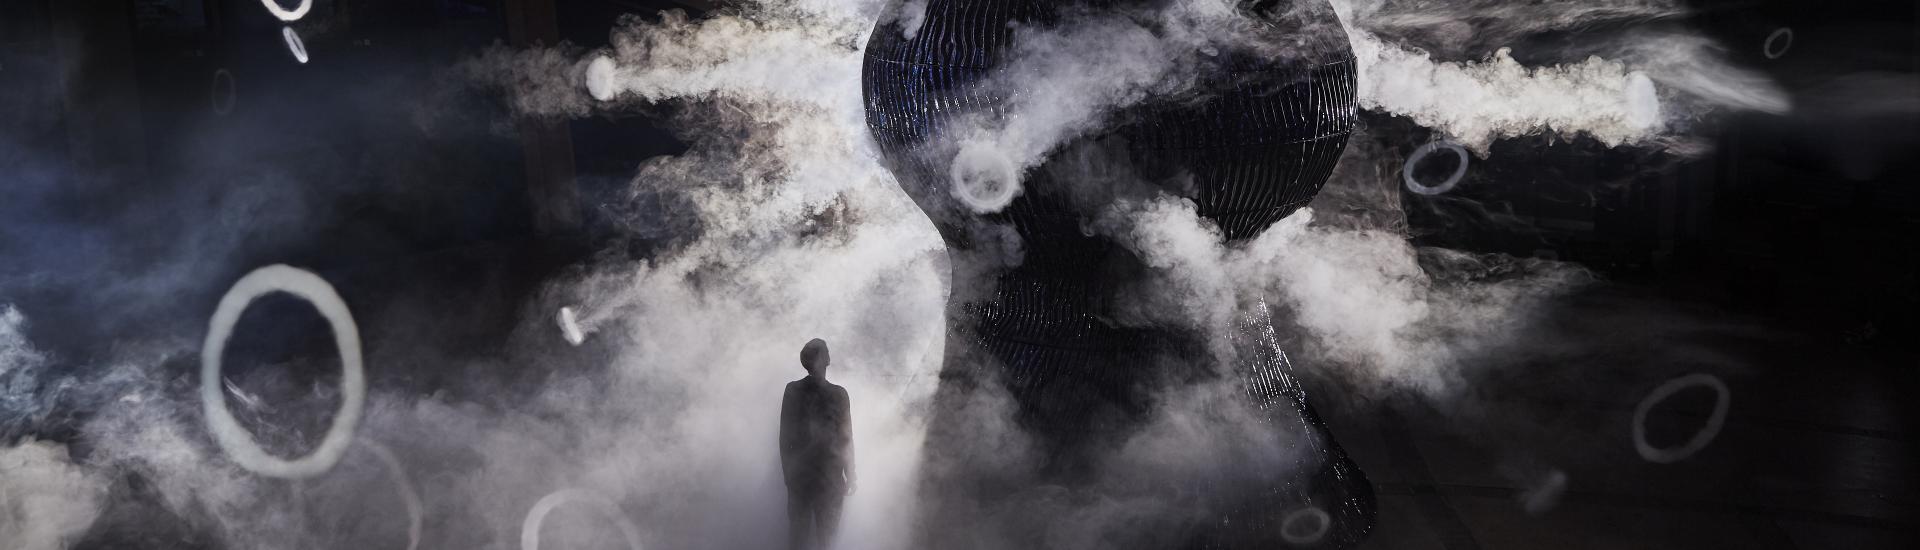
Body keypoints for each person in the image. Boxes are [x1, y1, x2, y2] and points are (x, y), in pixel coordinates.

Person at [780, 338, 854, 550]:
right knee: (826, 541)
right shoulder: (839, 394)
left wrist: (789, 476)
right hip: (829, 478)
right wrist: (851, 474)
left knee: (798, 540)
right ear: (826, 360)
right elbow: (846, 437)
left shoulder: (792, 390)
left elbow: (785, 438)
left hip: (801, 478)